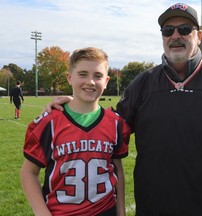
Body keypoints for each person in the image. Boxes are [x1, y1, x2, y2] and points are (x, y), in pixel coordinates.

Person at [44, 3, 202, 216]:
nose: (175, 36)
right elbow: (110, 126)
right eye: (168, 30)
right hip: (152, 208)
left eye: (184, 29)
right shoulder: (143, 83)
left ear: (199, 36)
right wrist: (77, 102)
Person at [20, 47, 130, 216]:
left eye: (98, 76)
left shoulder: (115, 123)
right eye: (83, 74)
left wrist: (121, 212)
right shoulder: (48, 123)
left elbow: (118, 170)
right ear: (70, 78)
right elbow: (29, 172)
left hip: (105, 210)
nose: (91, 82)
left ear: (106, 81)